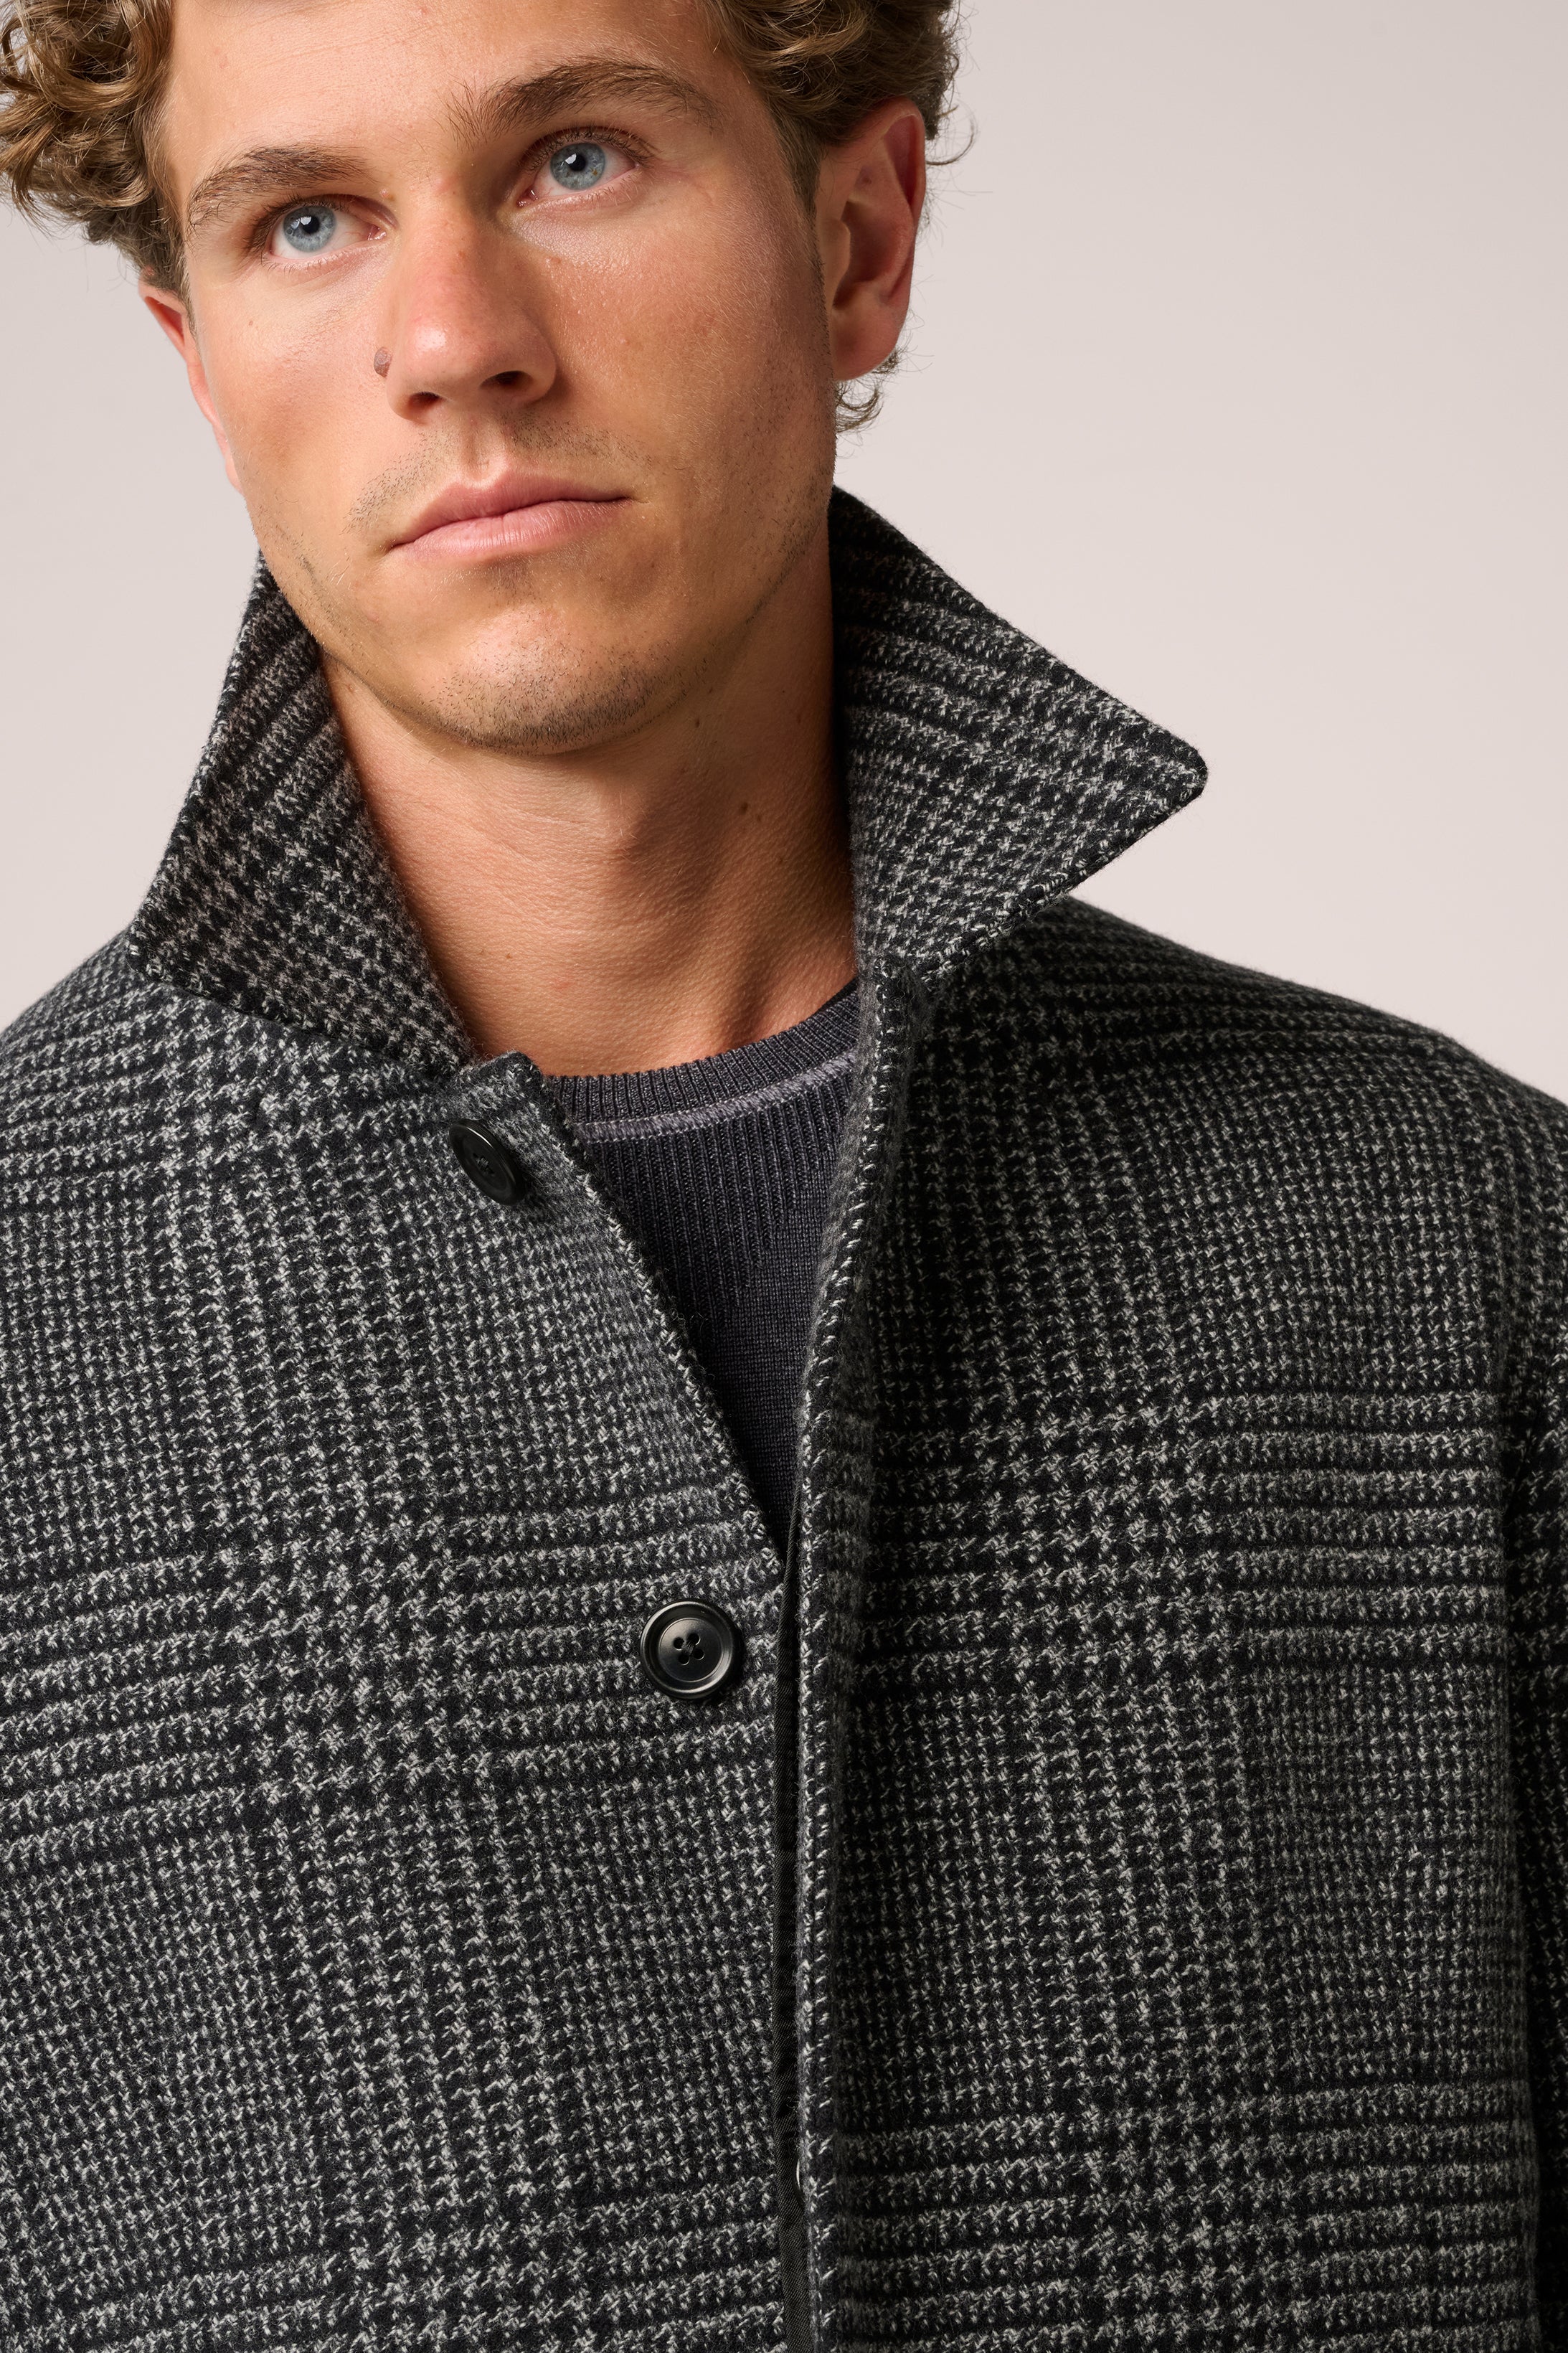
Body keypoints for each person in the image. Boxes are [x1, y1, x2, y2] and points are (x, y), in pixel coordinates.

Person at [1, 0, 1564, 2342]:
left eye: (575, 161)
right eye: (306, 222)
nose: (451, 339)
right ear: (202, 365)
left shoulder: (1465, 1254)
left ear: (857, 242)